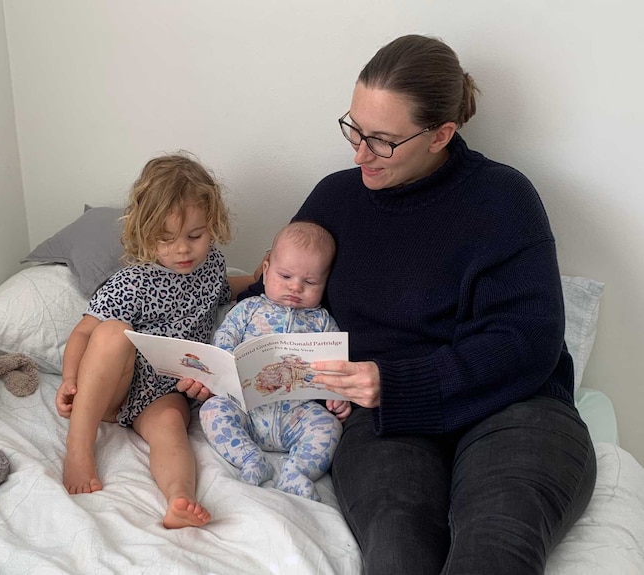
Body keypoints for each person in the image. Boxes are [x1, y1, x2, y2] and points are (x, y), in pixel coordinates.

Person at [182, 34, 597, 573]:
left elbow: (527, 342)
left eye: (381, 140)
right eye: (354, 129)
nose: (359, 154)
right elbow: (277, 300)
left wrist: (397, 382)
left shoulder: (504, 200)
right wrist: (208, 363)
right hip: (383, 422)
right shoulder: (336, 198)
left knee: (496, 544)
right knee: (398, 546)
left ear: (441, 134)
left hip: (516, 408)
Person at [55, 152, 234, 529]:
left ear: (212, 226)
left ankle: (179, 498)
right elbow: (83, 332)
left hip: (168, 390)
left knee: (172, 426)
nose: (182, 249)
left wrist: (262, 277)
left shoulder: (213, 266)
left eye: (195, 236)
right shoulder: (133, 281)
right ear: (143, 233)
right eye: (165, 239)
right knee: (113, 332)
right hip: (115, 387)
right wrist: (71, 378)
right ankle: (78, 447)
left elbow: (224, 289)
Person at [197, 222, 351, 502]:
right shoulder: (249, 308)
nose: (295, 287)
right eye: (285, 276)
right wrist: (224, 360)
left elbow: (336, 367)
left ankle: (296, 472)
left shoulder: (322, 321)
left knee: (329, 427)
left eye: (310, 282)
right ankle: (250, 458)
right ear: (266, 271)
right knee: (212, 410)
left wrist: (338, 397)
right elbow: (226, 334)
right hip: (248, 410)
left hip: (297, 414)